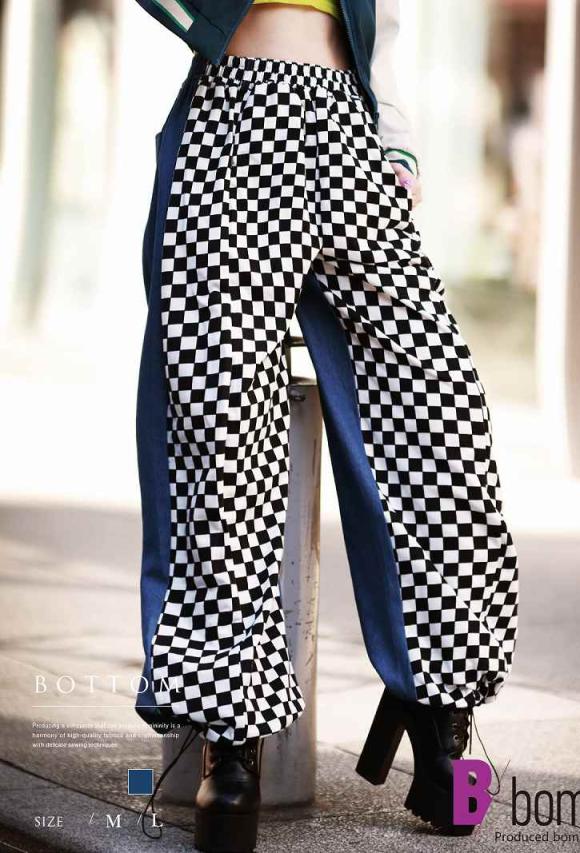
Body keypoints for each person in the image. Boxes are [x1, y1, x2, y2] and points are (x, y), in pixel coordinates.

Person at [133, 2, 519, 850]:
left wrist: (395, 140)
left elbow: (390, 22)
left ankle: (440, 703)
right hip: (233, 118)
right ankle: (231, 738)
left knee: (439, 412)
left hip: (349, 126)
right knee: (224, 433)